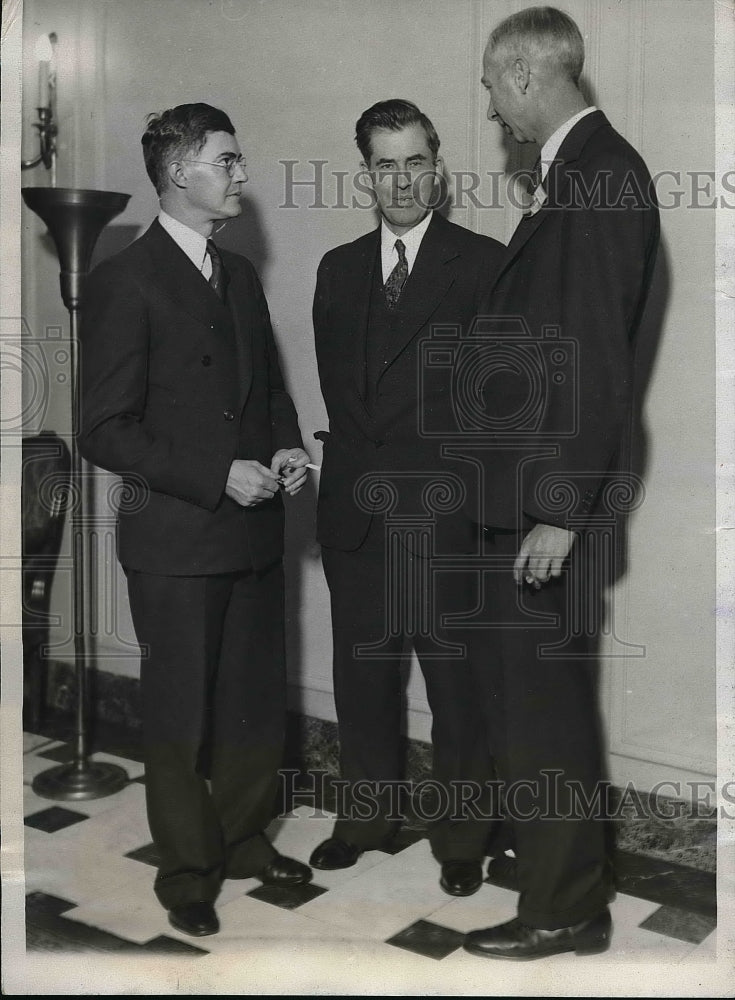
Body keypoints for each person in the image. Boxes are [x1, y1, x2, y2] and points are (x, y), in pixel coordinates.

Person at [79, 103, 313, 938]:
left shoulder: (238, 275)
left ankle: (243, 839)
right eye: (228, 160)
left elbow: (269, 392)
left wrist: (285, 448)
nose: (242, 175)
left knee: (254, 705)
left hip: (253, 532)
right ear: (180, 173)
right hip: (177, 541)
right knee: (180, 719)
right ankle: (185, 871)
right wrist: (216, 475)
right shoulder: (126, 278)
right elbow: (104, 428)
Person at [460, 7, 660, 960]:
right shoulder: (574, 175)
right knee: (540, 709)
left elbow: (594, 362)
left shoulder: (601, 175)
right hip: (527, 501)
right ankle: (565, 888)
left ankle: (562, 909)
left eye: (492, 89)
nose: (492, 111)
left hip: (546, 509)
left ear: (523, 74)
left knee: (543, 715)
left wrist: (558, 513)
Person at [309, 99, 505, 896]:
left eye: (414, 162)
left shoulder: (484, 264)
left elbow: (501, 405)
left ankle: (462, 837)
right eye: (384, 164)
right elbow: (340, 393)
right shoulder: (337, 268)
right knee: (362, 680)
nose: (400, 180)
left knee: (456, 688)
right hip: (356, 516)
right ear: (366, 175)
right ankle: (364, 820)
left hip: (445, 519)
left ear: (438, 170)